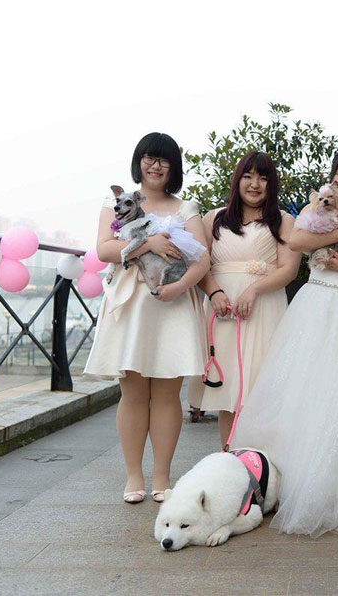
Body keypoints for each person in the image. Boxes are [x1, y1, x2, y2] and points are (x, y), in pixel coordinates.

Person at [230, 145, 338, 537]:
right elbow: (295, 244)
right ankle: (300, 486)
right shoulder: (318, 212)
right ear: (332, 178)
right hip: (317, 302)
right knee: (310, 393)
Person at [84, 132, 209, 504]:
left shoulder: (186, 207)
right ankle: (133, 476)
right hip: (131, 302)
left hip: (171, 301)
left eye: (164, 160)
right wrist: (147, 243)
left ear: (174, 167)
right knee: (133, 391)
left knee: (169, 393)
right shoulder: (115, 202)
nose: (155, 166)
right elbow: (104, 248)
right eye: (149, 158)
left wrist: (178, 288)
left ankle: (162, 478)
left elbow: (202, 258)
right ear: (139, 161)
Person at [187, 151, 300, 447]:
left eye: (263, 178)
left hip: (264, 310)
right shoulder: (214, 218)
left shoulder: (284, 220)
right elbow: (200, 265)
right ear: (238, 180)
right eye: (248, 176)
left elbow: (289, 269)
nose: (255, 184)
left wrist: (254, 289)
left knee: (261, 389)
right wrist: (215, 292)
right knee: (228, 393)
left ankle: (262, 464)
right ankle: (229, 460)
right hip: (222, 312)